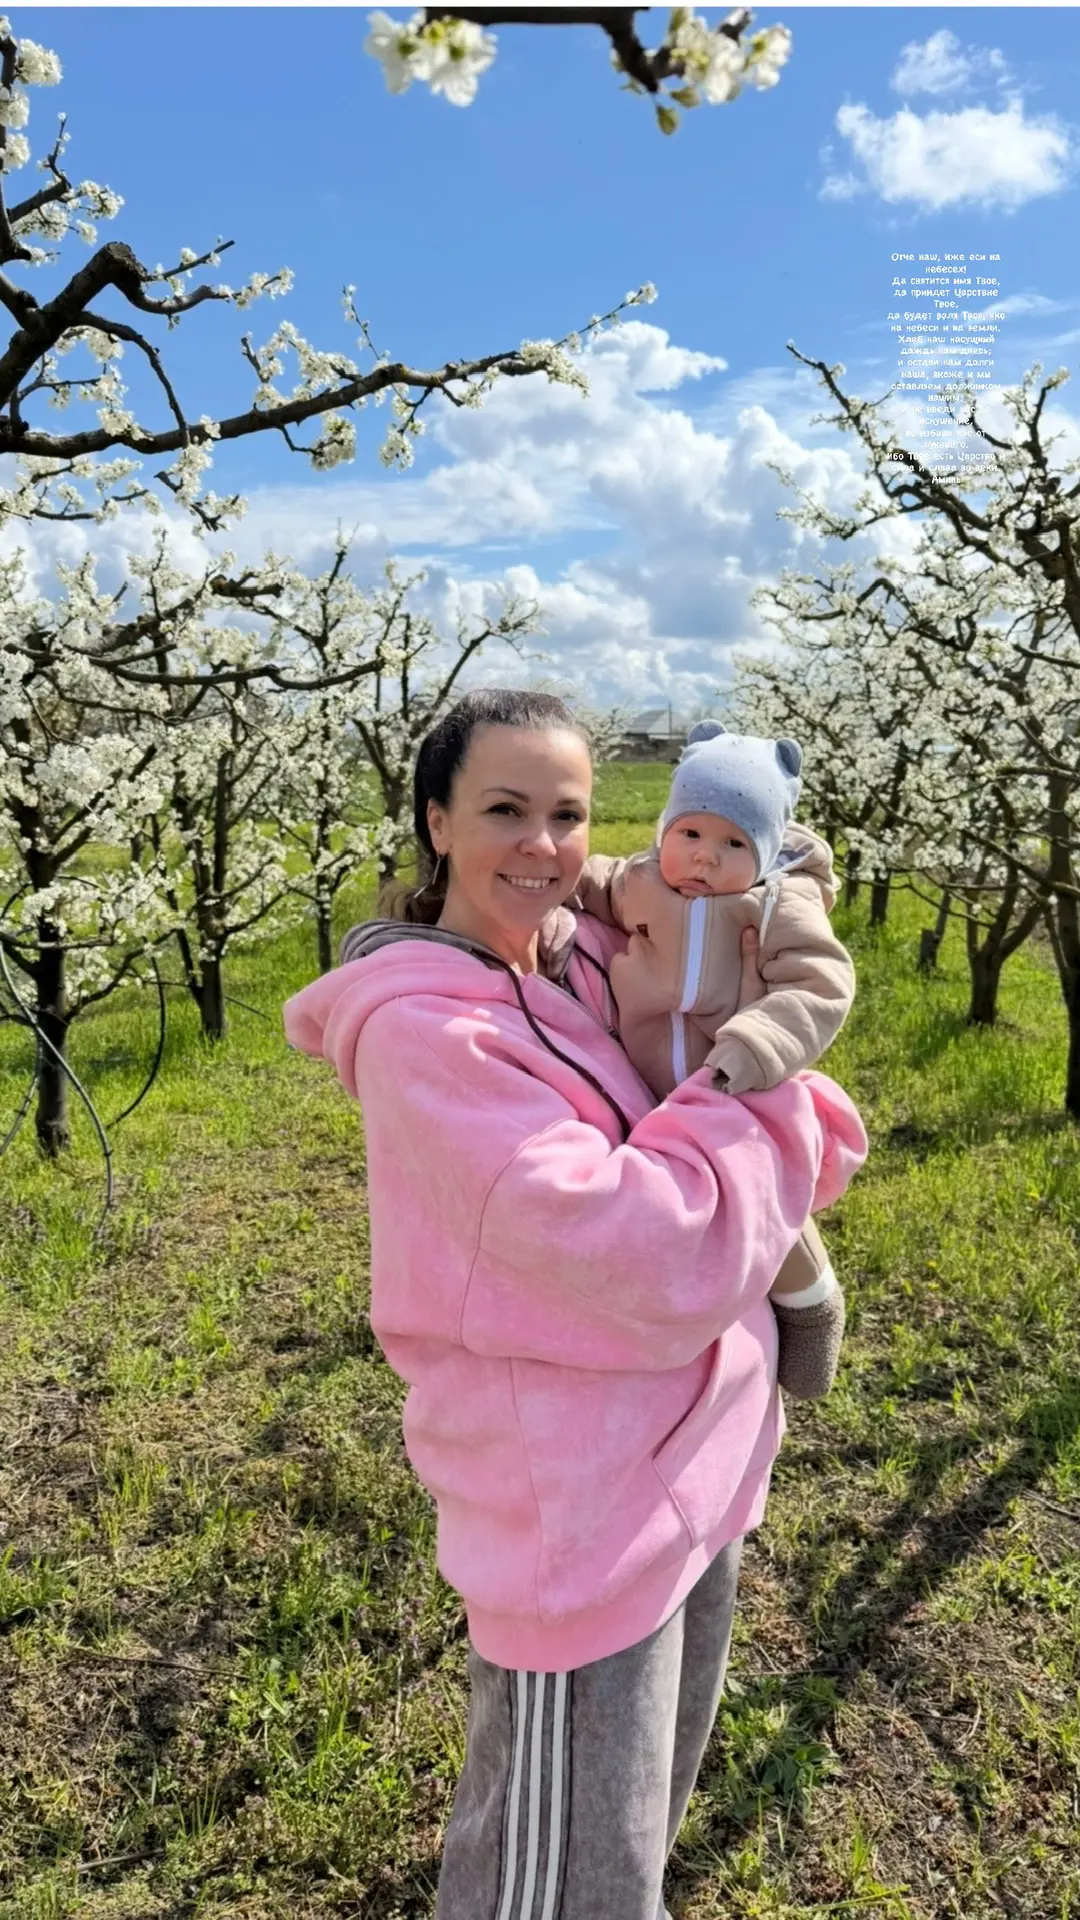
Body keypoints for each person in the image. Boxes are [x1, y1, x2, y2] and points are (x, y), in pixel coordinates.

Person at [283, 688, 867, 1920]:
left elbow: (727, 948)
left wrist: (770, 874)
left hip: (691, 1476)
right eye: (505, 809)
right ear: (437, 821)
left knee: (634, 1841)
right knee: (559, 1888)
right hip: (586, 1525)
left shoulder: (570, 955)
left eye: (569, 813)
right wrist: (772, 1105)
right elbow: (645, 1250)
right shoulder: (430, 1033)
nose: (543, 845)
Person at [573, 719, 856, 1400]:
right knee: (677, 1206)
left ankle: (812, 1304)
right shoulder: (639, 881)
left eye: (733, 844)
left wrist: (755, 1046)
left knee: (761, 1197)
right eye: (691, 834)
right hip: (645, 1081)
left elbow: (821, 983)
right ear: (664, 831)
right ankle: (699, 1315)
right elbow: (582, 882)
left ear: (765, 851)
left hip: (739, 1083)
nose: (704, 858)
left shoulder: (777, 901)